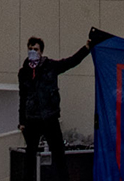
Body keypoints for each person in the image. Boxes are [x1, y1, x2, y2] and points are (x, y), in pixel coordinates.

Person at [19, 30, 100, 179]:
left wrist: (86, 48)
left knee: (59, 155)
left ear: (41, 51)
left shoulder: (50, 66)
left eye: (35, 49)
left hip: (50, 117)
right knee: (30, 156)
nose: (32, 52)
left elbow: (70, 62)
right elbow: (22, 97)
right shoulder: (24, 72)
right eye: (30, 49)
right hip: (32, 119)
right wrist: (21, 121)